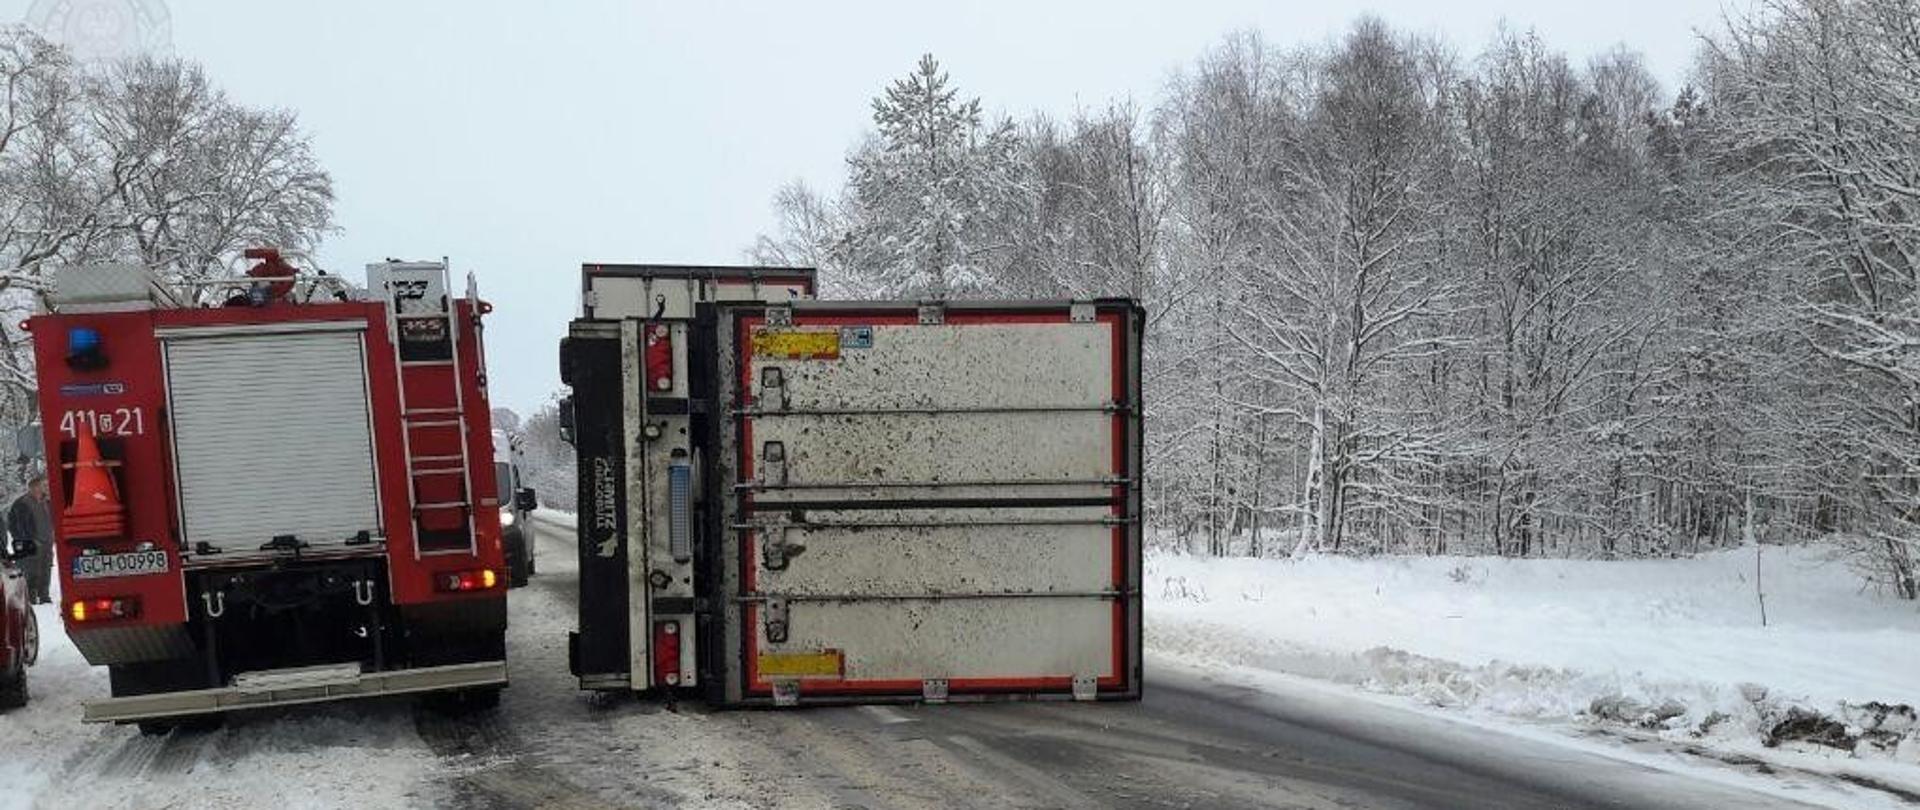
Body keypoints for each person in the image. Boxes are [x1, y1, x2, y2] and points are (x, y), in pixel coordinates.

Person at [7, 475, 52, 604]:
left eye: (44, 485)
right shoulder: (21, 503)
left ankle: (44, 595)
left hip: (47, 541)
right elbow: (14, 525)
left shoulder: (47, 502)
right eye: (41, 485)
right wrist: (26, 540)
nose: (44, 488)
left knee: (46, 568)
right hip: (31, 543)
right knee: (31, 570)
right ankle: (31, 597)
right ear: (33, 487)